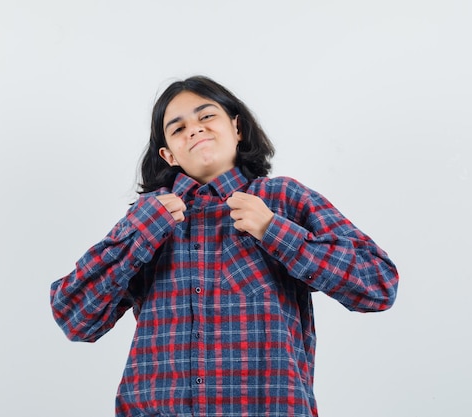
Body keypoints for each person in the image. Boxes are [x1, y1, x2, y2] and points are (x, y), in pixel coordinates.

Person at [50, 75, 399, 417]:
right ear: (168, 154)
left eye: (206, 116)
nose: (195, 129)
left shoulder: (285, 199)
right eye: (178, 128)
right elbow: (75, 318)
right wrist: (138, 236)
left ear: (237, 128)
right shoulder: (147, 218)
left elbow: (378, 285)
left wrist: (274, 230)